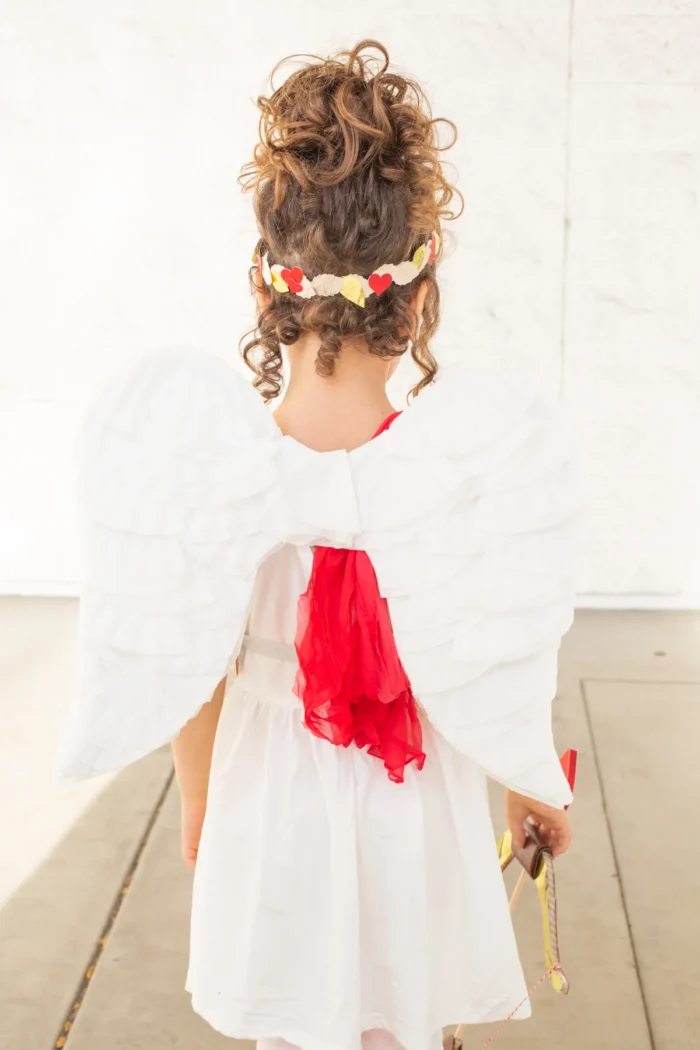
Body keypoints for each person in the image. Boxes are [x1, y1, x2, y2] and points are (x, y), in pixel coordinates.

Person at [57, 39, 580, 1050]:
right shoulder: (460, 470)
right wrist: (529, 784)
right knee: (407, 1014)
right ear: (419, 300)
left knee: (293, 1018)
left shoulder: (214, 466)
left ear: (266, 291)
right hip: (414, 805)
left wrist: (203, 794)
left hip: (269, 796)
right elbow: (495, 645)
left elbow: (191, 655)